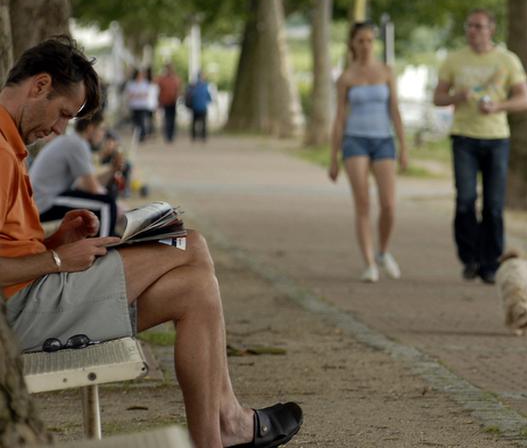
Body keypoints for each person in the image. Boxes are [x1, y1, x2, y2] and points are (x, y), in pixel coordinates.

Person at [0, 37, 302, 447]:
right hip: (23, 308)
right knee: (191, 245)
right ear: (39, 86)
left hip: (33, 298)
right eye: (63, 114)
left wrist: (57, 240)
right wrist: (56, 260)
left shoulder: (11, 147)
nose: (59, 129)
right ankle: (228, 423)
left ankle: (222, 428)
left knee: (196, 284)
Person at [432, 9, 527, 284]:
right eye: (470, 26)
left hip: (496, 137)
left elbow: (525, 99)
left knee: (494, 205)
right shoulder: (454, 60)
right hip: (464, 136)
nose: (473, 31)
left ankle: (491, 262)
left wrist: (499, 106)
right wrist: (456, 96)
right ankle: (470, 257)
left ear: (491, 30)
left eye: (479, 26)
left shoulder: (507, 60)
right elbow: (437, 97)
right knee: (465, 200)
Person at [329, 22, 408, 282]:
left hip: (383, 140)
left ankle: (383, 252)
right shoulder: (346, 77)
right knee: (363, 204)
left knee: (389, 205)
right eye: (360, 41)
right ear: (352, 43)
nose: (365, 45)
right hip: (355, 141)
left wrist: (404, 147)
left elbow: (395, 110)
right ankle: (369, 263)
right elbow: (339, 118)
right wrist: (333, 158)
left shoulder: (386, 71)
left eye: (370, 40)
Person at [30, 112, 123, 237]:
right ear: (90, 128)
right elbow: (93, 188)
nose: (103, 134)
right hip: (43, 202)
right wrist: (117, 206)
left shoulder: (73, 141)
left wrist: (112, 169)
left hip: (46, 198)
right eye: (101, 129)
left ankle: (104, 237)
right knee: (106, 204)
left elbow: (86, 185)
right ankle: (104, 247)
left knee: (104, 202)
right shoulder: (76, 144)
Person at [157, 63, 181, 143]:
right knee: (167, 119)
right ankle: (168, 135)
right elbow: (159, 90)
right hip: (165, 101)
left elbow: (178, 89)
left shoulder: (175, 79)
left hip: (173, 101)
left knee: (172, 119)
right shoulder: (162, 79)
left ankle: (171, 135)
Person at [124, 68, 151, 142]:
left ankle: (142, 136)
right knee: (135, 121)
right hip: (134, 106)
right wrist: (139, 95)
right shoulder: (131, 84)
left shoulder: (145, 83)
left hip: (142, 106)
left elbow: (146, 94)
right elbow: (130, 95)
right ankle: (136, 136)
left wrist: (136, 95)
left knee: (142, 121)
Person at [187, 72, 213, 142]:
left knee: (197, 123)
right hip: (199, 107)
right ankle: (200, 136)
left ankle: (196, 136)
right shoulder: (205, 86)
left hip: (198, 106)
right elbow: (209, 97)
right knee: (201, 123)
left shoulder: (194, 86)